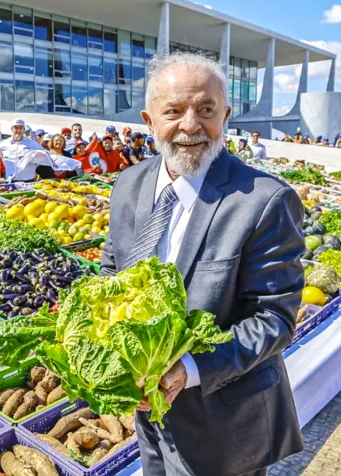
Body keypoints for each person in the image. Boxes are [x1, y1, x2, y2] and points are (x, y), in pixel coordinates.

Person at [100, 52, 303, 476]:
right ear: (149, 119)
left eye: (206, 110)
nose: (191, 126)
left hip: (225, 426)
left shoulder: (264, 201)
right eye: (174, 111)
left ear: (225, 115)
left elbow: (274, 319)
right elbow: (109, 275)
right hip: (149, 416)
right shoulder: (128, 183)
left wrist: (187, 369)